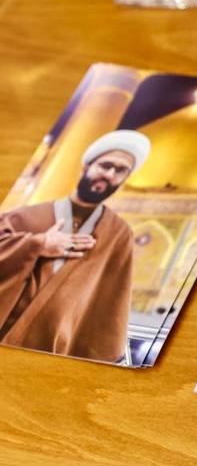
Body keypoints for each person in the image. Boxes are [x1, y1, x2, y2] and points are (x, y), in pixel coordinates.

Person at [0, 130, 150, 363]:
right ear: (86, 166)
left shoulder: (119, 234)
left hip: (58, 348)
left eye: (120, 170)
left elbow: (113, 300)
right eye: (105, 165)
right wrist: (37, 244)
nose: (110, 174)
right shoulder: (25, 217)